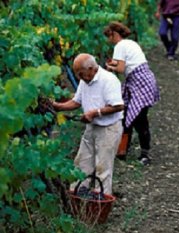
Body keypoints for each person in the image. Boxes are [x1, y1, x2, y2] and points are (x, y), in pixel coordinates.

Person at [52, 53, 124, 195]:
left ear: (91, 68)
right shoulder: (85, 81)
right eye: (78, 75)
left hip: (109, 129)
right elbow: (76, 102)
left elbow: (118, 106)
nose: (80, 78)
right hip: (92, 127)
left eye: (81, 74)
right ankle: (77, 194)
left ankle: (100, 202)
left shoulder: (109, 80)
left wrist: (94, 113)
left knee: (103, 167)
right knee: (82, 162)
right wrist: (57, 106)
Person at [104, 22, 160, 166]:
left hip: (139, 82)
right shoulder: (130, 43)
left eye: (108, 37)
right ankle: (122, 151)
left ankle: (144, 154)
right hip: (143, 80)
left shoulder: (119, 46)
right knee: (129, 115)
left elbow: (121, 68)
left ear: (114, 34)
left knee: (139, 119)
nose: (108, 40)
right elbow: (126, 64)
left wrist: (108, 68)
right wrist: (112, 65)